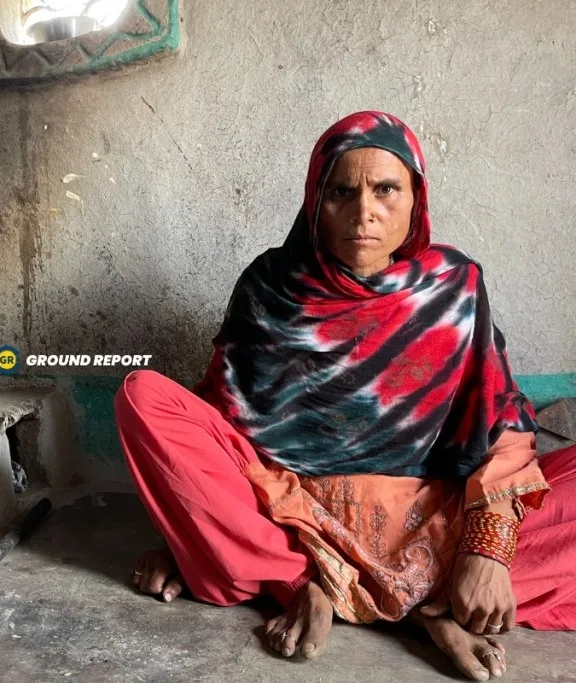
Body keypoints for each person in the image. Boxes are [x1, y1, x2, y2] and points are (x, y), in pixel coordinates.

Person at [114, 111, 576, 681]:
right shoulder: (272, 286)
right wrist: (186, 529)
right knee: (143, 396)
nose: (365, 213)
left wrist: (487, 548)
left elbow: (501, 426)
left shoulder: (455, 286)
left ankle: (424, 598)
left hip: (438, 519)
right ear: (315, 202)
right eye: (341, 191)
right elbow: (219, 431)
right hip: (301, 522)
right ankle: (308, 586)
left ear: (415, 200)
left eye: (386, 189)